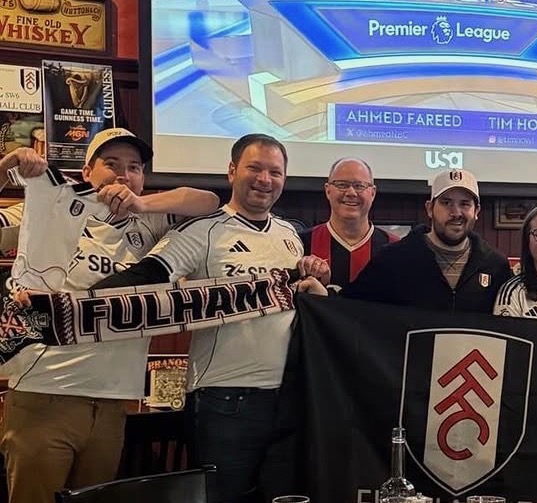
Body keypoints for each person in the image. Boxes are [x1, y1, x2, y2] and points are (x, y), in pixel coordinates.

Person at [90, 133, 331, 503]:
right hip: (224, 399)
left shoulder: (290, 235)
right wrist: (74, 302)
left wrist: (312, 283)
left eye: (275, 172)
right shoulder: (202, 230)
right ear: (232, 171)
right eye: (254, 168)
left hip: (287, 396)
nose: (264, 180)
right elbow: (147, 275)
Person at [0, 129, 220, 503]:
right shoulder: (48, 206)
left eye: (134, 167)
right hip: (45, 396)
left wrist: (143, 205)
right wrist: (5, 170)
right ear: (87, 171)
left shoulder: (148, 223)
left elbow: (209, 200)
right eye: (112, 164)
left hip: (114, 403)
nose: (124, 174)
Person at [344, 169, 512, 312]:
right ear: (430, 209)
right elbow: (349, 310)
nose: (456, 212)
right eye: (446, 203)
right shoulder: (393, 259)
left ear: (477, 211)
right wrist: (318, 291)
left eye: (465, 204)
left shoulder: (496, 266)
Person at [299, 157, 397, 291]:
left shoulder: (395, 247)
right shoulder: (299, 243)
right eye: (342, 185)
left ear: (373, 193)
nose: (351, 193)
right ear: (328, 190)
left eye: (359, 186)